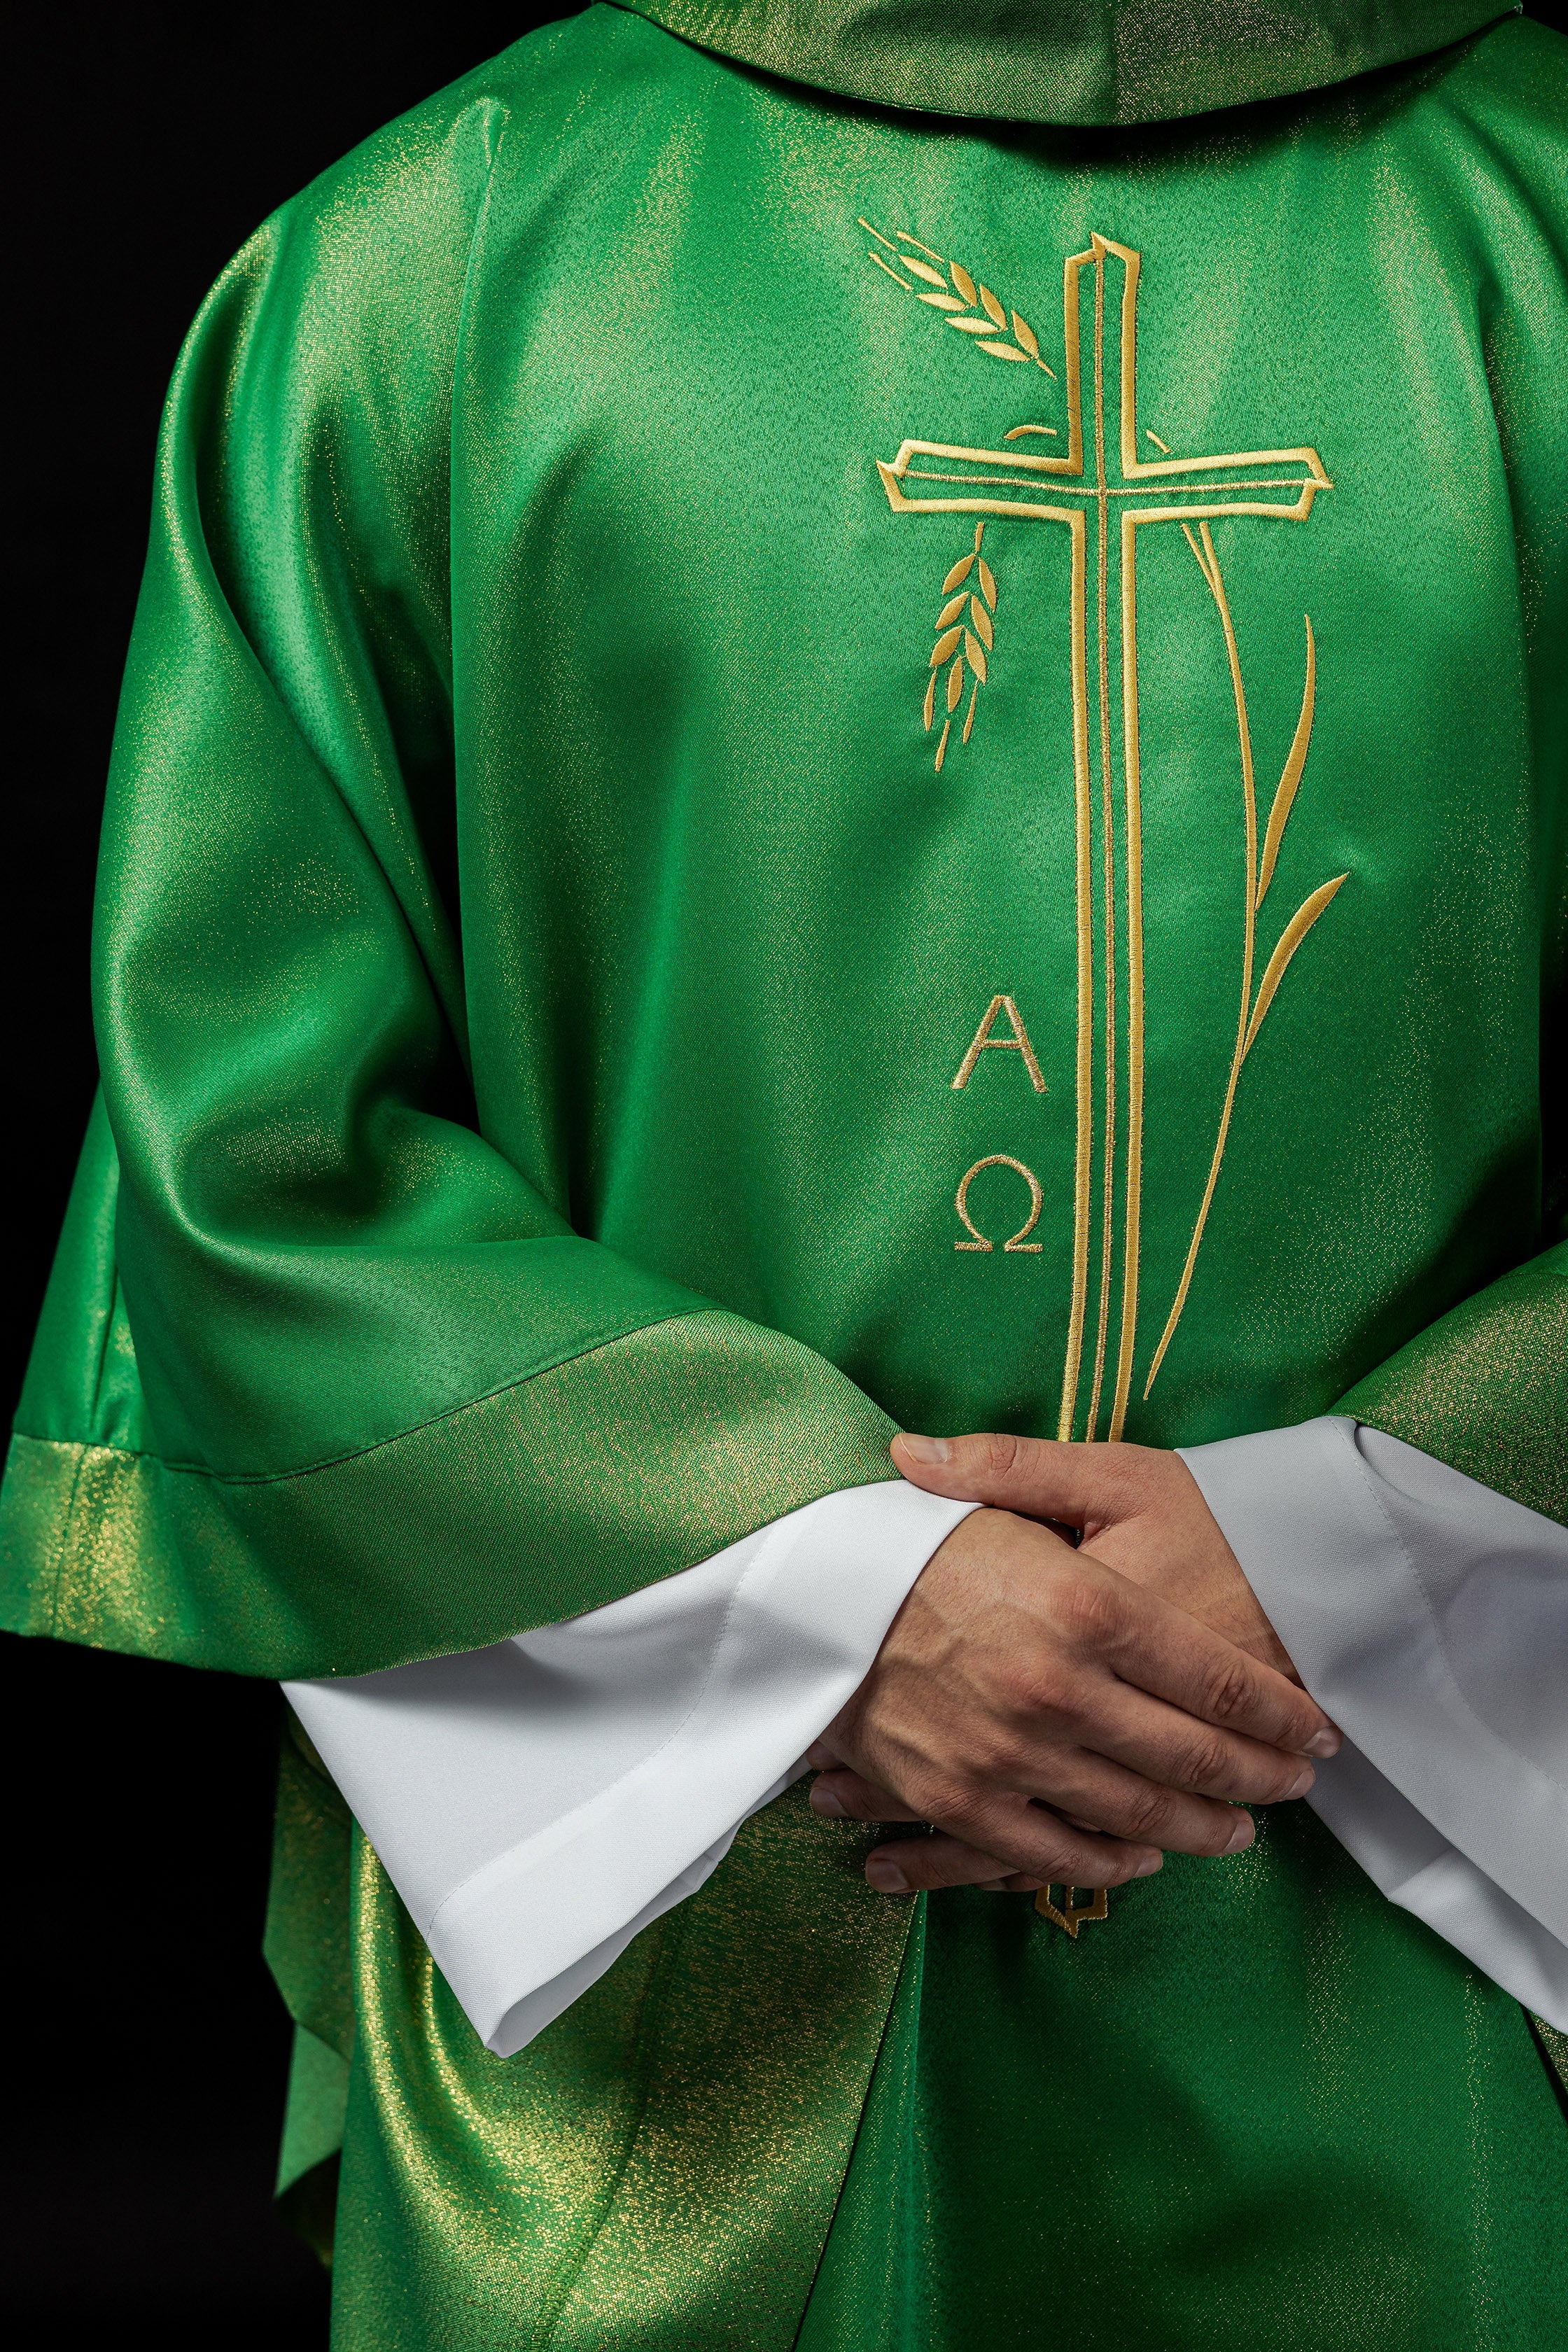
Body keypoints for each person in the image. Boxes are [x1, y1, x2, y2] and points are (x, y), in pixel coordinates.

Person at [3, 4, 1564, 2343]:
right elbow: (239, 1153)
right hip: (719, 1971)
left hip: (1429, 1966)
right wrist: (825, 1597)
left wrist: (1362, 1560)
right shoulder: (432, 267)